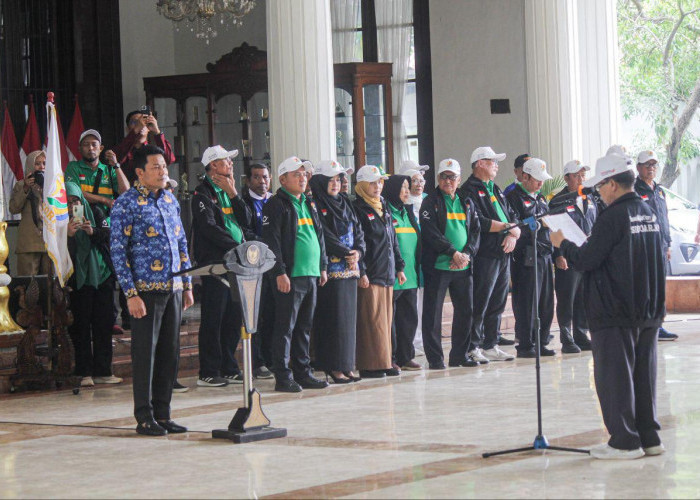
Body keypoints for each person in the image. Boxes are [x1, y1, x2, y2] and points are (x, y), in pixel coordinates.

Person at [551, 153, 666, 460]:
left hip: (615, 311)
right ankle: (649, 437)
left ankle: (624, 442)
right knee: (643, 376)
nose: (598, 192)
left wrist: (562, 243)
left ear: (613, 184)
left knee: (615, 378)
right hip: (648, 309)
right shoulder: (647, 210)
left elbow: (587, 260)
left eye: (601, 185)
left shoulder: (613, 216)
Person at [110, 144, 193, 436]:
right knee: (145, 354)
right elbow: (118, 252)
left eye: (164, 167)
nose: (162, 172)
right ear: (140, 173)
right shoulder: (126, 203)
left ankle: (163, 412)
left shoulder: (170, 200)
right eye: (155, 167)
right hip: (144, 292)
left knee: (170, 353)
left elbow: (181, 243)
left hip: (173, 287)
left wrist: (187, 284)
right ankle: (144, 416)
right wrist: (130, 294)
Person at [262, 156, 329, 393]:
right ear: (282, 179)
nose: (303, 178)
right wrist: (279, 272)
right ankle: (283, 375)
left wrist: (323, 265)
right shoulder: (276, 204)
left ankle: (303, 372)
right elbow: (271, 241)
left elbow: (318, 235)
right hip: (290, 276)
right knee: (285, 328)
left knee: (304, 326)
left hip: (310, 274)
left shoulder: (308, 203)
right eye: (296, 174)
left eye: (304, 174)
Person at [191, 146, 254, 388]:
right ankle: (208, 370)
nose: (230, 163)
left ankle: (229, 366)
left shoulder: (229, 190)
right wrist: (235, 246)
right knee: (213, 318)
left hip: (236, 263)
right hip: (216, 264)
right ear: (213, 165)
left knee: (232, 317)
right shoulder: (202, 194)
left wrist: (235, 194)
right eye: (226, 160)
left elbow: (246, 221)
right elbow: (208, 228)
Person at [460, 146, 520, 362]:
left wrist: (513, 234)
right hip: (485, 253)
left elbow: (512, 216)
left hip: (503, 252)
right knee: (481, 300)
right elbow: (478, 222)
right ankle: (473, 345)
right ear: (480, 164)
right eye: (492, 161)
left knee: (498, 300)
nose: (496, 165)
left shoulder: (495, 188)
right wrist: (507, 228)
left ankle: (491, 343)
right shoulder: (469, 189)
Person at [420, 159, 481, 369]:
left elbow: (475, 231)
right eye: (444, 177)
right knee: (433, 315)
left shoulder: (467, 201)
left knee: (466, 312)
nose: (448, 181)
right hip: (439, 267)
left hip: (463, 267)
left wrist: (466, 254)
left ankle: (459, 356)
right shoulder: (431, 202)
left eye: (452, 177)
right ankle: (435, 359)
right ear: (438, 179)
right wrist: (452, 252)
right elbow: (430, 232)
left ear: (459, 179)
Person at [309, 160, 364, 383]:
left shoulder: (345, 202)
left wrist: (358, 252)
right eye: (331, 180)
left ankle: (347, 365)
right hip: (331, 272)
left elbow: (358, 229)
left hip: (350, 270)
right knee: (334, 320)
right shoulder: (316, 204)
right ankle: (333, 366)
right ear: (321, 182)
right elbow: (324, 235)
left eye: (338, 179)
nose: (336, 184)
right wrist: (345, 252)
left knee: (349, 321)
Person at [65, 182, 122, 387]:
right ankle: (84, 372)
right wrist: (68, 235)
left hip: (102, 276)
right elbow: (56, 252)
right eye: (69, 201)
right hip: (78, 280)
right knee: (81, 326)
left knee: (103, 324)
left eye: (76, 201)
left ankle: (103, 371)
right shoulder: (60, 219)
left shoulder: (96, 211)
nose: (73, 206)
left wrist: (92, 232)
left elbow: (109, 237)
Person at [353, 165, 406, 378]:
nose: (378, 187)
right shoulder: (358, 208)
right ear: (363, 185)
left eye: (380, 182)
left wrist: (400, 266)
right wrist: (362, 271)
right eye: (373, 183)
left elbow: (392, 239)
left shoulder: (383, 205)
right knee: (371, 321)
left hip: (387, 271)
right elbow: (359, 243)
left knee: (385, 321)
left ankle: (385, 361)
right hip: (371, 272)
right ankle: (369, 364)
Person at [506, 157, 555, 358]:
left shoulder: (541, 197)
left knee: (545, 301)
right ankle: (526, 344)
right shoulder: (514, 197)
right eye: (536, 179)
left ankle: (542, 341)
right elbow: (515, 225)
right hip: (526, 257)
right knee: (527, 302)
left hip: (544, 254)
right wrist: (537, 222)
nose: (540, 183)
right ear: (524, 177)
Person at [548, 160, 597, 353]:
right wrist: (559, 255)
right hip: (567, 254)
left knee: (583, 297)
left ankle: (581, 334)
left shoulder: (590, 198)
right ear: (567, 177)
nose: (581, 179)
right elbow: (554, 228)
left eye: (583, 175)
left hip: (586, 255)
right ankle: (566, 336)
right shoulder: (559, 200)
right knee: (567, 297)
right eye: (577, 175)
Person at [633, 150, 678, 342]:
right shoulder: (635, 190)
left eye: (654, 165)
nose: (651, 169)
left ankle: (658, 324)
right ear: (638, 168)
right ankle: (646, 324)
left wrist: (667, 244)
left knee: (659, 287)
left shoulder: (658, 190)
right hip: (644, 246)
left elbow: (664, 218)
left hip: (660, 245)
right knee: (646, 286)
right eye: (647, 165)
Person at [384, 174, 422, 371]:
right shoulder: (386, 212)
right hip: (394, 275)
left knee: (409, 318)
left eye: (408, 187)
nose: (407, 191)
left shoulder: (407, 212)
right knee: (391, 320)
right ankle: (390, 356)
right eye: (403, 187)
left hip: (411, 275)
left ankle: (406, 355)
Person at [241, 162, 274, 378]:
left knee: (273, 314)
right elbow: (245, 231)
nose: (262, 182)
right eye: (257, 177)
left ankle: (273, 358)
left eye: (265, 177)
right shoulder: (244, 203)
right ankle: (257, 361)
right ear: (248, 180)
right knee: (257, 315)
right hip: (254, 265)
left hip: (275, 264)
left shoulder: (275, 201)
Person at [64, 129, 129, 216]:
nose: (90, 148)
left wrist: (116, 165)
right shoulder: (73, 167)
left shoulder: (109, 170)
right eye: (86, 145)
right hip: (80, 218)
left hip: (106, 221)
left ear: (101, 148)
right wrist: (104, 200)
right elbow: (75, 195)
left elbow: (126, 192)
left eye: (94, 144)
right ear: (79, 149)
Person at [9, 151, 51, 275]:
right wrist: (26, 188)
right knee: (29, 286)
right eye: (37, 163)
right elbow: (14, 208)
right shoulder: (21, 185)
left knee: (50, 286)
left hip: (50, 242)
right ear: (30, 166)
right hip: (29, 243)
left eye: (44, 163)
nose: (42, 166)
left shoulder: (53, 185)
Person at [109, 108, 176, 184]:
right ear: (127, 129)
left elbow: (169, 159)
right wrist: (136, 129)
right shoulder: (123, 149)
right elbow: (116, 157)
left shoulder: (153, 151)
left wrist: (157, 132)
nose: (140, 124)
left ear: (148, 128)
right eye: (135, 122)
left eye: (144, 121)